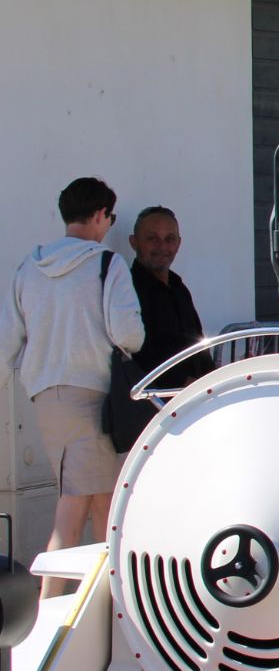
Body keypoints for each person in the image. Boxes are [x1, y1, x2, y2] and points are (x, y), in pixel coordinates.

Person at [0, 178, 143, 594]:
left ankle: (107, 607)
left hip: (46, 397)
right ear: (101, 215)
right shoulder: (107, 264)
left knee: (101, 504)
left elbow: (9, 342)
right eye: (110, 218)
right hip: (92, 397)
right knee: (74, 506)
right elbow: (129, 335)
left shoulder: (29, 267)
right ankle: (48, 615)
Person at [129, 206, 205, 391]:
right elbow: (138, 354)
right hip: (152, 405)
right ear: (134, 242)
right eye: (152, 239)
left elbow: (199, 346)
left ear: (178, 243)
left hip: (193, 401)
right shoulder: (127, 290)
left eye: (169, 239)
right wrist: (183, 384)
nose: (162, 246)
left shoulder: (179, 289)